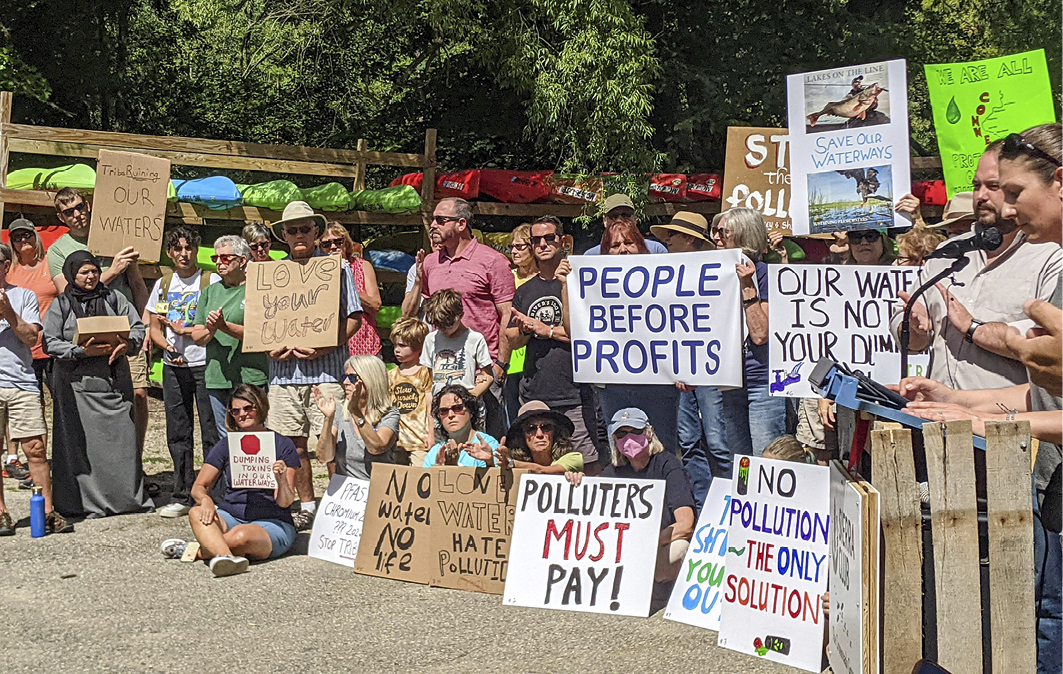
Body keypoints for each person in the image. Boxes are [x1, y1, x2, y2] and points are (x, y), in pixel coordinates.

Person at [891, 139, 1062, 391]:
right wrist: (912, 327)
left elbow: (1048, 347)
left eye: (994, 186)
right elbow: (906, 333)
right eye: (976, 185)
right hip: (938, 419)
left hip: (1014, 423)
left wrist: (974, 328)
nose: (981, 196)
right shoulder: (946, 253)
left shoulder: (1050, 253)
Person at [997, 123, 1062, 674]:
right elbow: (1047, 392)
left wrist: (1010, 426)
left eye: (1016, 192)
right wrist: (963, 405)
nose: (1006, 206)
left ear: (1059, 182)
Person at [266, 201, 363, 530]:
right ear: (283, 235)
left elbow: (354, 317)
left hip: (326, 373)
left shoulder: (337, 268)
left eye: (305, 228)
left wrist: (327, 344)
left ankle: (342, 507)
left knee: (335, 444)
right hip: (282, 376)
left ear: (316, 231)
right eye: (291, 230)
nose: (298, 235)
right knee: (293, 445)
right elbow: (261, 326)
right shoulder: (271, 274)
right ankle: (307, 505)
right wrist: (269, 348)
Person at [43, 251, 153, 519]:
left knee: (120, 442)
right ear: (72, 275)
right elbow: (49, 341)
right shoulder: (61, 305)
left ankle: (125, 499)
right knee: (79, 447)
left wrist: (127, 344)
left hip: (113, 384)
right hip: (76, 387)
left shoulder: (115, 298)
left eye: (94, 271)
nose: (91, 276)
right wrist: (79, 352)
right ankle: (80, 503)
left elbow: (138, 328)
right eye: (84, 272)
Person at [49, 188, 151, 453]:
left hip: (126, 329)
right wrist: (112, 270)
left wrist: (147, 324)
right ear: (61, 217)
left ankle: (134, 462)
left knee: (138, 395)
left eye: (80, 207)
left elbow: (137, 283)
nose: (77, 214)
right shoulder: (58, 251)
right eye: (69, 211)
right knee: (95, 398)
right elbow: (67, 294)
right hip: (86, 335)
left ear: (89, 205)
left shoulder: (114, 235)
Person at [160, 384, 300, 577]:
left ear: (260, 407)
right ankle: (226, 558)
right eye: (235, 411)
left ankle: (199, 551)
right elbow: (199, 487)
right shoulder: (227, 444)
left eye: (248, 408)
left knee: (240, 536)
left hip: (272, 522)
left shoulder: (283, 445)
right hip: (232, 515)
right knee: (196, 512)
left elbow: (285, 502)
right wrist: (207, 501)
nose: (242, 414)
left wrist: (282, 480)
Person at [506, 216, 599, 474]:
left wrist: (546, 330)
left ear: (563, 241)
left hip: (574, 391)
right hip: (535, 393)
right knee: (536, 464)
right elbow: (511, 339)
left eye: (549, 238)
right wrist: (525, 331)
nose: (542, 244)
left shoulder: (581, 281)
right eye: (536, 240)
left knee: (586, 463)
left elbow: (589, 334)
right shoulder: (525, 290)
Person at [565, 408, 696, 583]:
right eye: (621, 434)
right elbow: (590, 514)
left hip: (659, 544)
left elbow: (686, 525)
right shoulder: (613, 472)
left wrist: (646, 542)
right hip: (625, 550)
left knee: (679, 548)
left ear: (649, 433)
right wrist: (579, 484)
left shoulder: (668, 465)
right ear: (614, 441)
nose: (629, 438)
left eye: (635, 431)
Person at [420, 197, 515, 432]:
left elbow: (507, 314)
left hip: (483, 369)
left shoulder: (492, 261)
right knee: (446, 441)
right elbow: (428, 311)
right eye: (433, 219)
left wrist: (500, 364)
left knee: (487, 441)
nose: (433, 225)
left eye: (440, 220)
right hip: (444, 372)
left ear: (461, 224)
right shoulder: (431, 263)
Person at [650, 211, 724, 507]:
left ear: (691, 240)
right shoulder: (662, 275)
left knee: (718, 442)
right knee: (689, 441)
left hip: (710, 369)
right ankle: (704, 505)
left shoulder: (716, 272)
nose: (666, 242)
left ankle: (729, 503)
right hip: (677, 370)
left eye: (673, 236)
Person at [589, 218, 681, 455]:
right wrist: (566, 286)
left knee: (661, 448)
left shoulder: (666, 281)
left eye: (629, 243)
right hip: (614, 381)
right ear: (605, 253)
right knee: (621, 450)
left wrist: (684, 368)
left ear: (641, 246)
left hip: (658, 381)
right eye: (615, 245)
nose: (622, 250)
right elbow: (574, 328)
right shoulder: (591, 285)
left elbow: (683, 326)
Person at [148, 227, 221, 518]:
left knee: (210, 430)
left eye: (188, 248)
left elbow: (215, 324)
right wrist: (165, 343)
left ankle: (212, 493)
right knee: (178, 431)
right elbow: (154, 325)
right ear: (169, 253)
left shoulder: (209, 280)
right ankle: (181, 492)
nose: (183, 254)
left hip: (204, 363)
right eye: (177, 249)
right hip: (173, 366)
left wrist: (186, 332)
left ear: (196, 249)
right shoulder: (164, 283)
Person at [0, 242, 70, 535]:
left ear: (6, 265)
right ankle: (2, 513)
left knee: (36, 449)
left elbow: (31, 338)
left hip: (21, 382)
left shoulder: (24, 296)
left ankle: (48, 511)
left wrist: (8, 312)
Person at [712, 207, 787, 457]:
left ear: (743, 235)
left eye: (724, 232)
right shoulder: (711, 276)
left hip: (761, 383)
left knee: (768, 461)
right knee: (740, 466)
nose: (716, 237)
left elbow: (760, 335)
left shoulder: (766, 274)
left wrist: (747, 287)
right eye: (716, 231)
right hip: (728, 382)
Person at [190, 235, 267, 440]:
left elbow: (260, 334)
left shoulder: (257, 288)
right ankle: (230, 474)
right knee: (227, 437)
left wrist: (223, 326)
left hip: (251, 375)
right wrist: (212, 330)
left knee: (254, 433)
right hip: (218, 377)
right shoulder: (210, 292)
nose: (218, 263)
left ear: (242, 260)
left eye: (225, 258)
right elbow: (197, 335)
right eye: (215, 258)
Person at [4, 218, 57, 483]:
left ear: (36, 237)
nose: (23, 241)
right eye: (17, 237)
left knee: (48, 407)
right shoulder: (9, 271)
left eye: (27, 235)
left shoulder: (50, 265)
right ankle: (13, 458)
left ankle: (45, 460)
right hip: (19, 351)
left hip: (48, 345)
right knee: (21, 404)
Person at [313, 355, 399, 479]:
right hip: (349, 492)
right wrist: (328, 418)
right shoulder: (340, 413)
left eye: (352, 378)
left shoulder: (389, 414)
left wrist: (356, 413)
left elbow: (376, 448)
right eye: (344, 377)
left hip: (379, 490)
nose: (345, 382)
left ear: (371, 380)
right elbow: (323, 457)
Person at [319, 222, 382, 357]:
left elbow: (375, 306)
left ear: (346, 243)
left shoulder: (362, 266)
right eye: (326, 244)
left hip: (364, 344)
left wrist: (346, 283)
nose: (333, 247)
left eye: (338, 242)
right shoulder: (316, 271)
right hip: (332, 347)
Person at [421, 289, 494, 399]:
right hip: (441, 406)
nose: (443, 329)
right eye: (438, 325)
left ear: (460, 316)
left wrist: (471, 396)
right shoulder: (431, 339)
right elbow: (430, 378)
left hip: (467, 405)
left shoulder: (475, 339)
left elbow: (488, 376)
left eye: (448, 325)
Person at [388, 317, 434, 467]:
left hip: (419, 439)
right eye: (395, 345)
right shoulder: (392, 375)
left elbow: (430, 405)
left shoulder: (425, 372)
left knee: (420, 475)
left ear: (418, 347)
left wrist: (431, 434)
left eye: (402, 345)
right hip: (397, 439)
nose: (397, 349)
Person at [503, 223, 538, 421]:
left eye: (519, 247)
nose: (514, 252)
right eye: (512, 247)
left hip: (535, 357)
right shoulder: (508, 277)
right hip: (511, 358)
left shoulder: (545, 279)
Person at [423, 384, 500, 467]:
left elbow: (498, 478)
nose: (451, 415)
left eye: (457, 408)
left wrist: (490, 462)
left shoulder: (487, 445)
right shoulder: (435, 453)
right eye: (444, 411)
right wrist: (438, 472)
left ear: (471, 411)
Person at [498, 400, 583, 473]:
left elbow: (541, 471)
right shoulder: (512, 464)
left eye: (546, 427)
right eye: (531, 429)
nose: (539, 434)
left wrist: (511, 463)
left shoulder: (574, 459)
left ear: (556, 432)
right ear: (521, 436)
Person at [582, 194, 668, 254]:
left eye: (626, 215)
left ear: (635, 219)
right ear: (605, 221)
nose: (620, 220)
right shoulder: (591, 255)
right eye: (614, 216)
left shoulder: (656, 250)